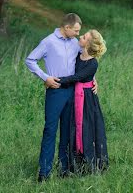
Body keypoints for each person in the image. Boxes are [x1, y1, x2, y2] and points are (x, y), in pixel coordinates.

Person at [25, 13, 97, 181]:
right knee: (50, 130)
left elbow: (86, 61)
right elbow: (30, 60)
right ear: (67, 28)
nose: (78, 34)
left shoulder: (74, 43)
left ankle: (64, 169)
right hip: (56, 91)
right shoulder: (48, 42)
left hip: (72, 92)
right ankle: (44, 172)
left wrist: (94, 79)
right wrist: (45, 78)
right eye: (76, 30)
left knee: (67, 131)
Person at [58, 29, 108, 174]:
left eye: (84, 36)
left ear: (89, 43)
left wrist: (57, 81)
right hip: (74, 96)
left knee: (87, 128)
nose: (81, 36)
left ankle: (91, 163)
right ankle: (74, 163)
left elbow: (77, 77)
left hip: (87, 100)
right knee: (74, 127)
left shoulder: (93, 64)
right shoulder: (77, 56)